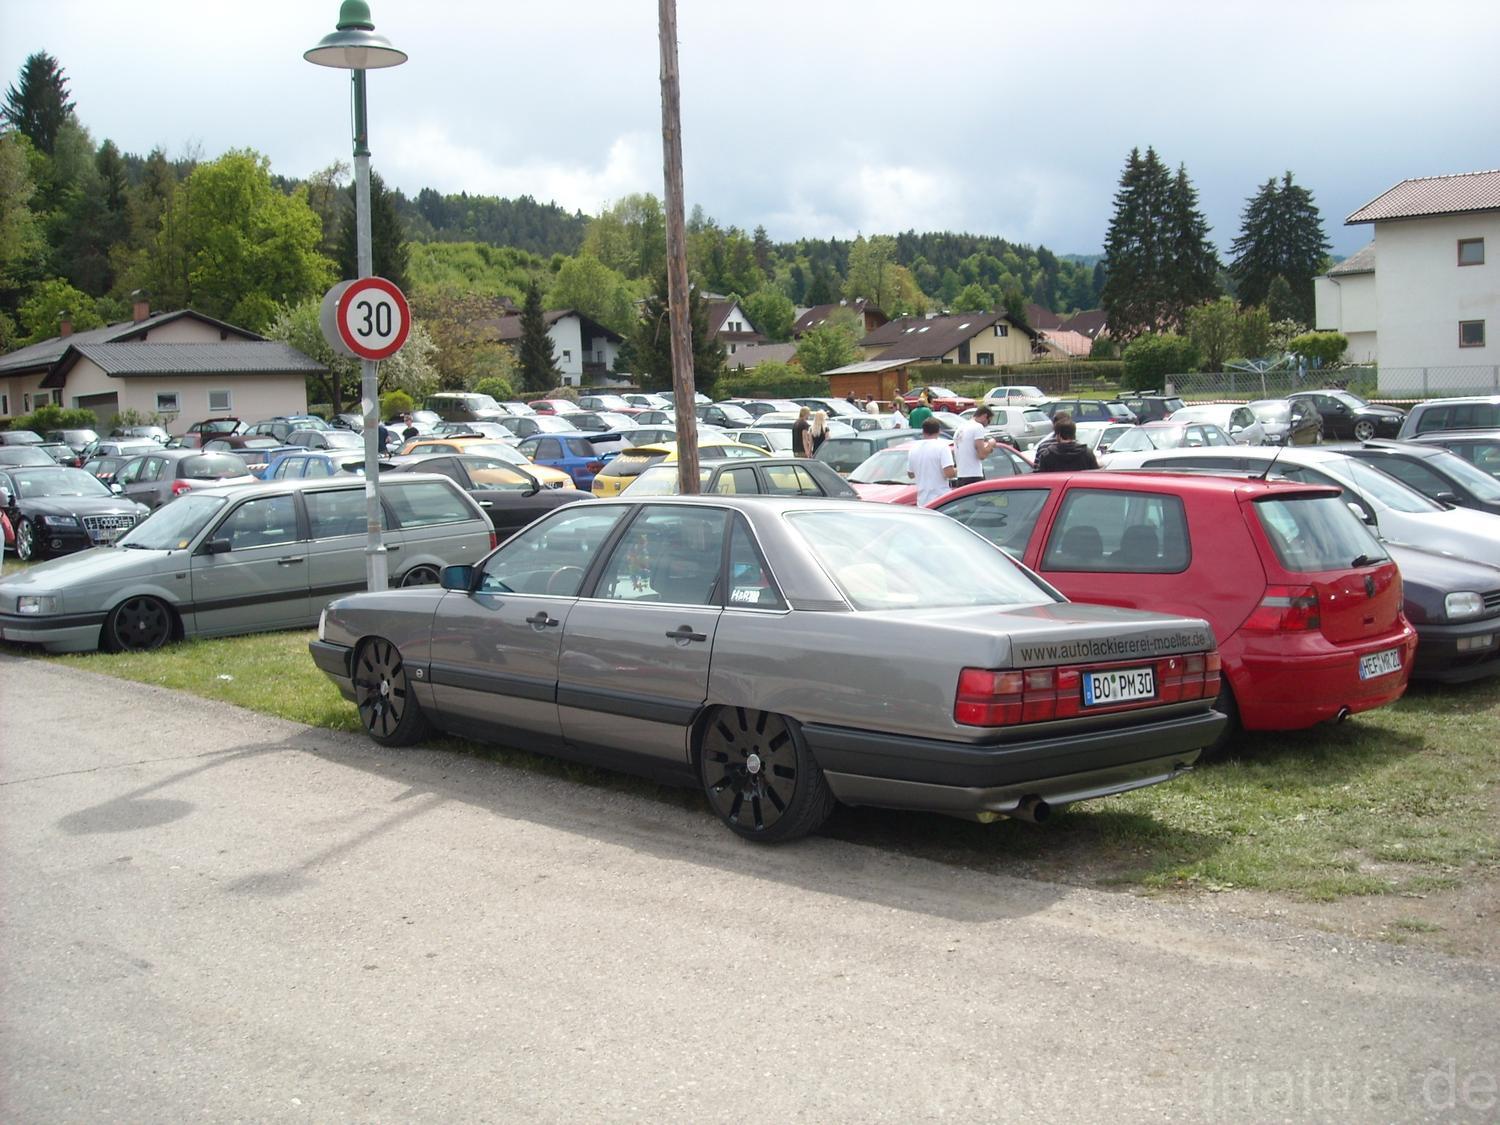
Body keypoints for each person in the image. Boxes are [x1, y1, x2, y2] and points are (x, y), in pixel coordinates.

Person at [906, 418, 956, 506]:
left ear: (923, 431)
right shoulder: (942, 447)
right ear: (939, 431)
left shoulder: (914, 448)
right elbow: (949, 473)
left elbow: (910, 474)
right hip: (941, 499)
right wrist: (959, 469)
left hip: (922, 501)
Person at [1034, 412, 1099, 472]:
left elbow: (1040, 476)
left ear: (1058, 435)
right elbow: (1095, 476)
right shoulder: (1087, 454)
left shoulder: (1047, 455)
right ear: (1074, 434)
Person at [952, 405, 997, 488]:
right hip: (974, 475)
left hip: (961, 475)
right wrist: (991, 444)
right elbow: (982, 455)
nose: (987, 425)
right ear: (985, 416)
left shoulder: (961, 428)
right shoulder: (978, 427)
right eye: (989, 421)